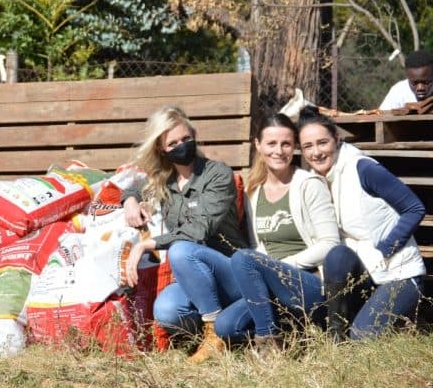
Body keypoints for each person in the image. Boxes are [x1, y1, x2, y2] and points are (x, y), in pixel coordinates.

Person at [121, 106, 250, 363]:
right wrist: (130, 202)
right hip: (195, 278)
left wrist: (146, 245)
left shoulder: (218, 174)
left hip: (231, 271)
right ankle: (222, 330)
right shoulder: (164, 180)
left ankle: (216, 335)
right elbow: (133, 188)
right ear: (162, 150)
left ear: (194, 136)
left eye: (186, 139)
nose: (182, 146)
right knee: (166, 310)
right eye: (173, 143)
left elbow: (199, 230)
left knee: (181, 249)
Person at [297, 108, 426, 340]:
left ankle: (396, 323)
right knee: (337, 254)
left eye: (322, 142)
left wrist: (387, 249)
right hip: (368, 272)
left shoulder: (363, 169)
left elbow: (414, 208)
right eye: (308, 146)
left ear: (337, 139)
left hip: (399, 273)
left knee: (362, 338)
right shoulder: (315, 180)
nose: (316, 152)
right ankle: (335, 339)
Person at [223, 113, 340, 356]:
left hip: (307, 282)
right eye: (271, 144)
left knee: (244, 258)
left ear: (295, 146)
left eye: (286, 144)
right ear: (258, 145)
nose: (279, 151)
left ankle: (269, 346)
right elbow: (259, 246)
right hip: (270, 284)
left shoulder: (309, 184)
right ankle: (292, 333)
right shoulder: (253, 190)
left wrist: (281, 266)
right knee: (227, 327)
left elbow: (330, 244)